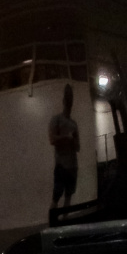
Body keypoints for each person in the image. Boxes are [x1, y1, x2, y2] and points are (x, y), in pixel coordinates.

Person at [48, 84, 80, 222]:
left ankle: (65, 224)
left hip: (73, 166)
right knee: (56, 197)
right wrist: (67, 137)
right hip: (61, 165)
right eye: (67, 96)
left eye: (71, 96)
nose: (69, 100)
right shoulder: (56, 119)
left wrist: (73, 141)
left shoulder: (74, 123)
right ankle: (53, 224)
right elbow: (52, 139)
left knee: (68, 197)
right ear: (63, 100)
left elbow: (78, 147)